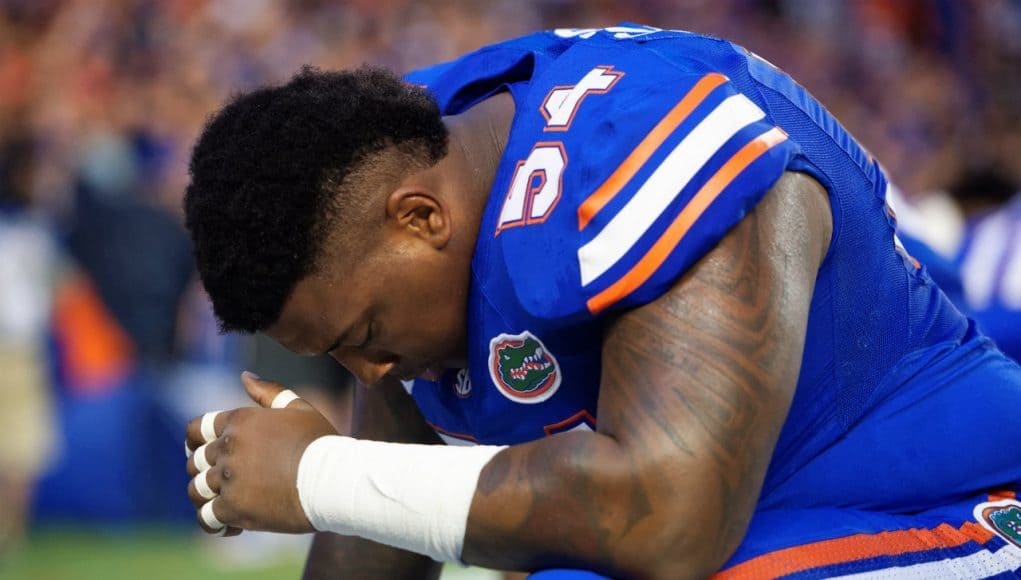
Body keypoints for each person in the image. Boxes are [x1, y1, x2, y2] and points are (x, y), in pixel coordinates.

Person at [182, 25, 1021, 579]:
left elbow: (669, 519)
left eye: (363, 334)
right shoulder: (397, 182)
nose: (369, 371)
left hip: (952, 508)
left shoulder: (635, 138)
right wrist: (324, 481)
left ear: (420, 217)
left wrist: (322, 473)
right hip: (776, 520)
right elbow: (384, 548)